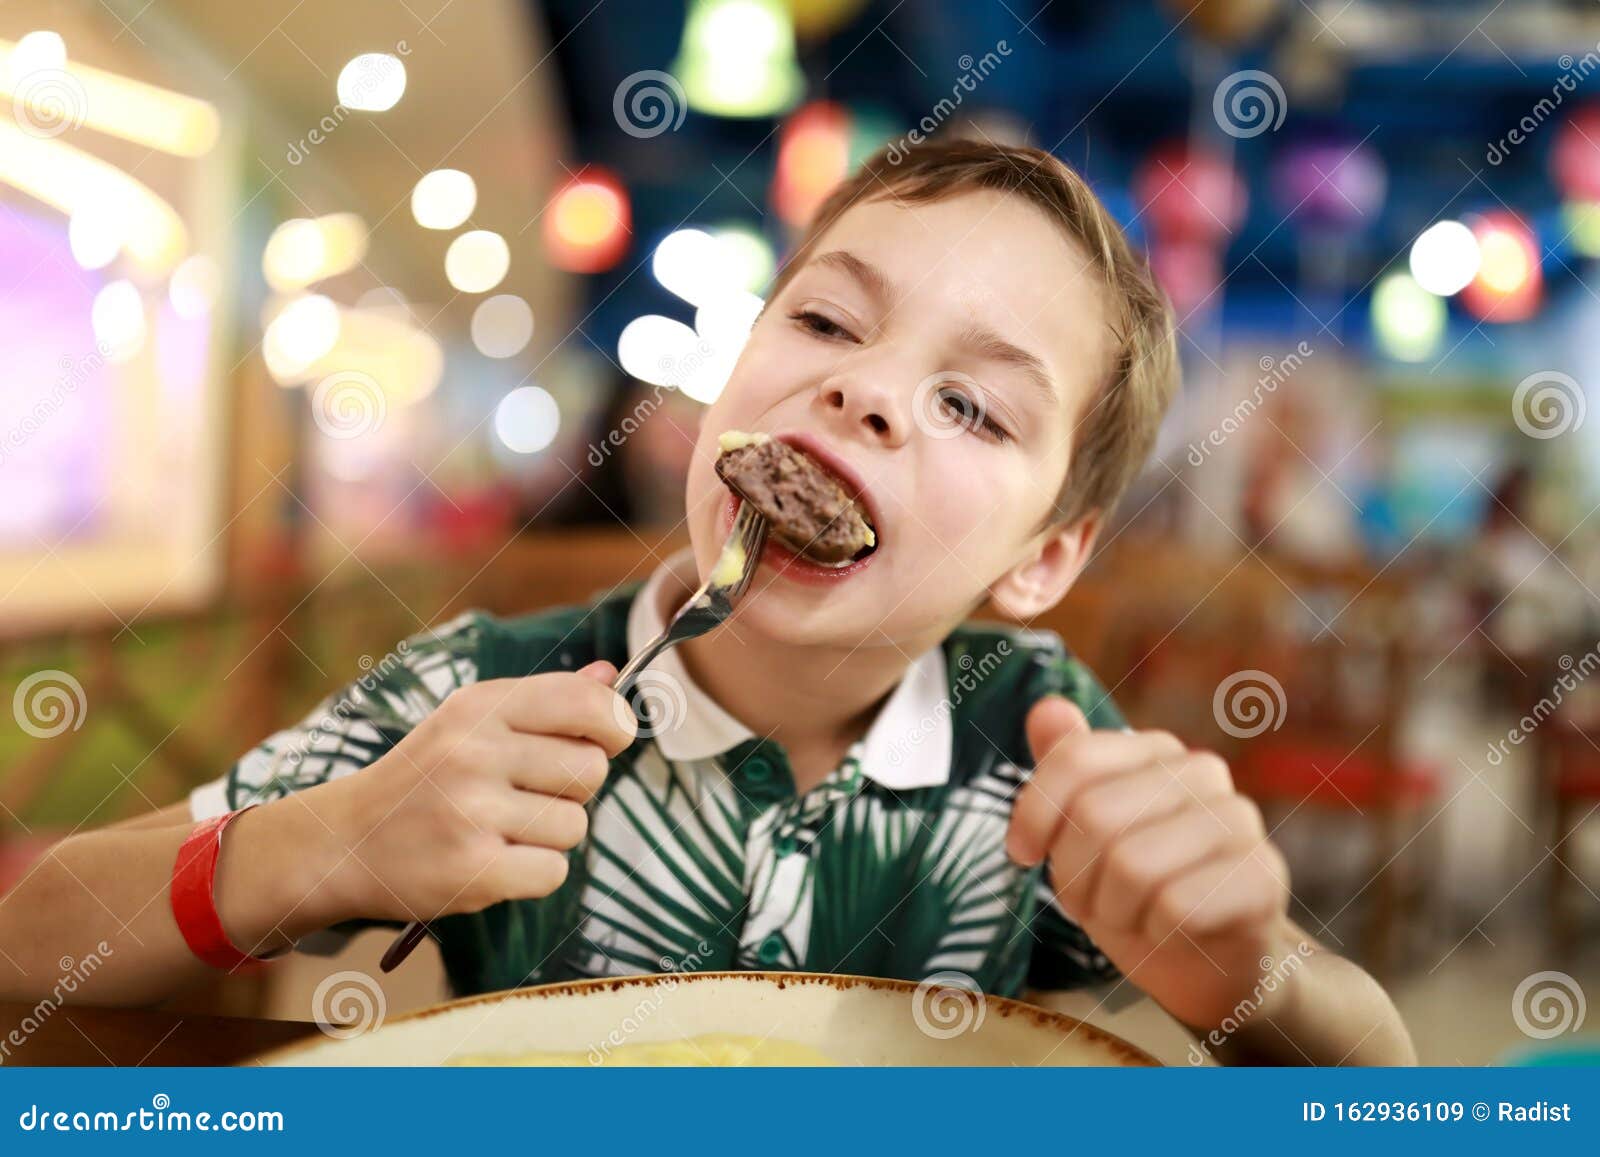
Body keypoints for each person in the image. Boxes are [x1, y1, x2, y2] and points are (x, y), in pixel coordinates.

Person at [0, 140, 1413, 1065]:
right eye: (826, 322)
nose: (863, 388)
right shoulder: (481, 691)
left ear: (1043, 558)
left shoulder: (1040, 745)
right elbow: (35, 936)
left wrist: (1258, 969)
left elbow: (1380, 1079)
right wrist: (326, 842)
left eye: (972, 404)